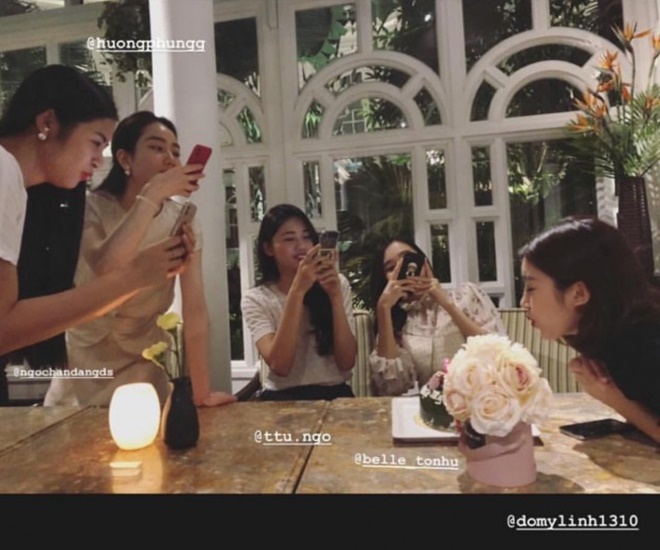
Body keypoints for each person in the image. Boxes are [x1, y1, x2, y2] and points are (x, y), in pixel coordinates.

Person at [0, 65, 187, 402]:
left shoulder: (20, 187)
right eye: (96, 142)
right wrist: (132, 278)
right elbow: (5, 326)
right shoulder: (4, 172)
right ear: (47, 123)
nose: (99, 160)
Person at [44, 111, 236, 408]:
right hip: (84, 361)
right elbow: (106, 266)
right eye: (157, 148)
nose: (170, 159)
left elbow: (195, 309)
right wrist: (152, 194)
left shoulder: (182, 219)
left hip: (144, 359)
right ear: (125, 159)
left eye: (176, 152)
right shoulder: (90, 208)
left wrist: (201, 392)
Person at [519, 216, 660, 443]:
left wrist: (613, 397)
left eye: (531, 288)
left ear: (579, 294)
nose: (524, 303)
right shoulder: (612, 339)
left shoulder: (642, 347)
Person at [241, 204, 357, 400]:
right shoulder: (257, 298)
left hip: (335, 393)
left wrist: (335, 296)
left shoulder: (338, 283)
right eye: (289, 239)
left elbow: (347, 362)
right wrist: (297, 291)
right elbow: (280, 366)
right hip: (282, 397)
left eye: (306, 237)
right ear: (268, 248)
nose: (301, 246)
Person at [369, 238, 505, 395]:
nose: (402, 269)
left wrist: (447, 303)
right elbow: (390, 387)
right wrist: (384, 307)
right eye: (391, 268)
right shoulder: (395, 320)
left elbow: (497, 353)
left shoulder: (465, 295)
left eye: (407, 259)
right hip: (423, 405)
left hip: (476, 398)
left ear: (423, 261)